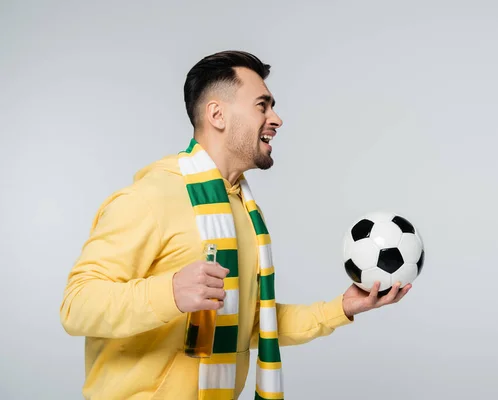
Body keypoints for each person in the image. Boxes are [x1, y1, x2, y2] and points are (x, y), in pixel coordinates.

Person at [59, 50, 412, 400]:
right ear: (217, 114)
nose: (276, 118)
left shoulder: (241, 210)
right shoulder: (149, 198)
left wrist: (342, 308)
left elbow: (254, 325)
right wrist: (172, 293)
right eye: (263, 105)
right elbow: (77, 306)